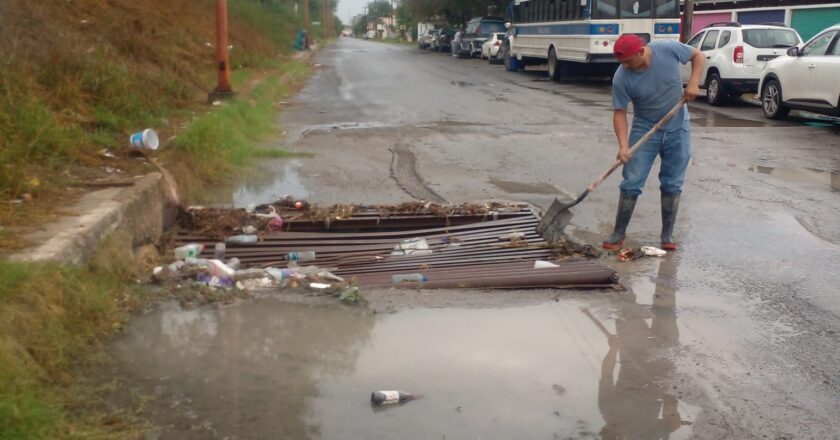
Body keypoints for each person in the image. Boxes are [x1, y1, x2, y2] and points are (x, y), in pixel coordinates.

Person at [603, 34, 703, 251]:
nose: (625, 66)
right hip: (645, 128)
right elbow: (619, 113)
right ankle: (619, 232)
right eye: (621, 62)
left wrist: (694, 82)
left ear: (641, 51)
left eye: (628, 61)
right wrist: (623, 146)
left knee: (672, 183)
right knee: (631, 180)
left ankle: (667, 235)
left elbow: (698, 55)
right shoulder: (622, 77)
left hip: (678, 128)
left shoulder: (667, 49)